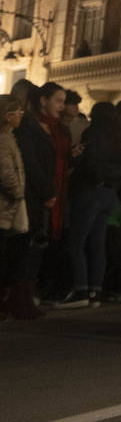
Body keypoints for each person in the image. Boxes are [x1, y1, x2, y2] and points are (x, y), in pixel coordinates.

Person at [54, 101, 121, 308]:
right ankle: (95, 291)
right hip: (109, 193)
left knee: (77, 242)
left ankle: (80, 289)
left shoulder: (93, 133)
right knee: (97, 244)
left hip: (89, 191)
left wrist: (77, 163)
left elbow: (87, 161)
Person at [16, 82, 71, 308]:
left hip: (57, 191)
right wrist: (47, 191)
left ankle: (32, 288)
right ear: (43, 101)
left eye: (63, 101)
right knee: (30, 243)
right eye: (58, 100)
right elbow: (31, 161)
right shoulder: (30, 126)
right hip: (38, 193)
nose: (62, 106)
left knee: (42, 243)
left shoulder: (60, 128)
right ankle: (22, 293)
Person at [0, 94, 34, 320]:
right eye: (18, 112)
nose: (21, 115)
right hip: (4, 206)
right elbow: (5, 171)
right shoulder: (3, 140)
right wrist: (18, 193)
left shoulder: (9, 137)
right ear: (7, 115)